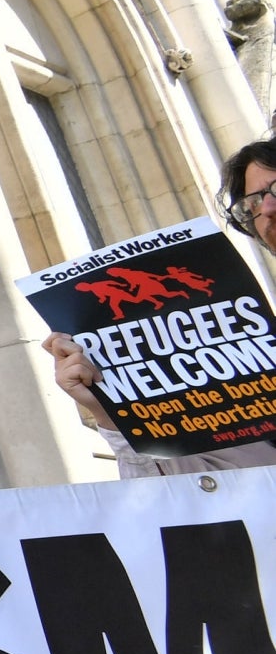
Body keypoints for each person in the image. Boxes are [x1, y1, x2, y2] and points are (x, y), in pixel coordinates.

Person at [48, 137, 276, 476]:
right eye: (253, 203)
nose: (267, 209)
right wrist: (109, 413)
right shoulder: (247, 382)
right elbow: (187, 495)